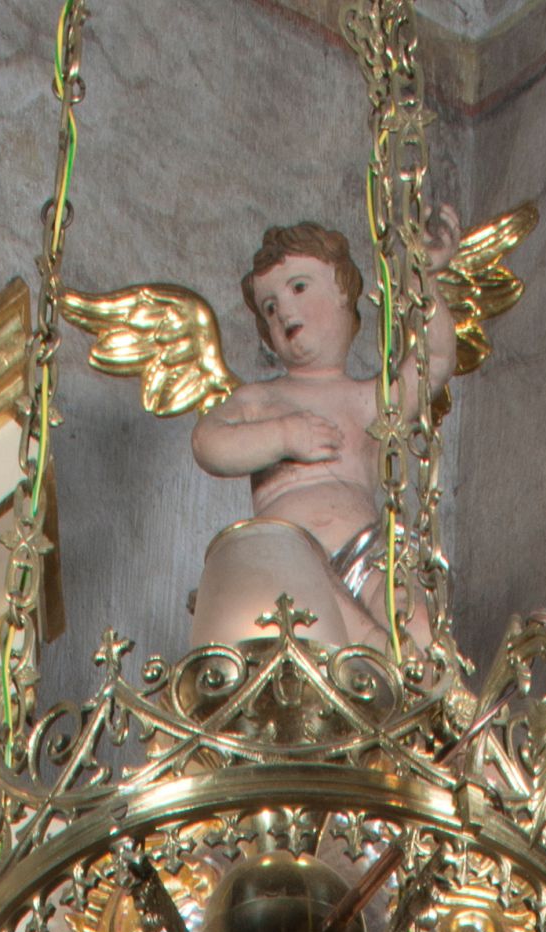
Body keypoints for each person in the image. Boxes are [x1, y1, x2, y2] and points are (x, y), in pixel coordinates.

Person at [188, 224, 455, 652]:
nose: (283, 311)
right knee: (349, 628)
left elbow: (434, 360)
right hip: (292, 559)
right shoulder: (260, 400)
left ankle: (428, 677)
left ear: (344, 295)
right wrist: (284, 435)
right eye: (269, 307)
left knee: (418, 623)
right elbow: (208, 443)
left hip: (367, 551)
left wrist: (426, 277)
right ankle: (381, 654)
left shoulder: (367, 401)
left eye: (298, 287)